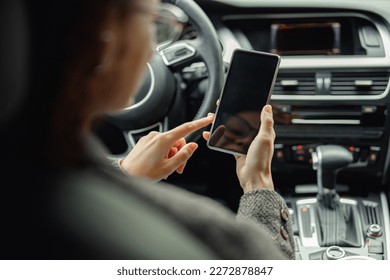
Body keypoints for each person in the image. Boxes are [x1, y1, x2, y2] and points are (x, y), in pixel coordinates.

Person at [1, 0, 294, 259]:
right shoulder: (215, 240)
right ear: (105, 44)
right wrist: (258, 184)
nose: (153, 45)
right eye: (154, 20)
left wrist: (125, 173)